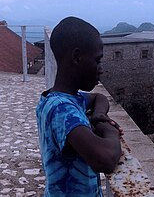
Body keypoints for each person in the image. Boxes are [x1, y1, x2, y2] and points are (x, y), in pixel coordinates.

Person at [36, 16, 123, 196]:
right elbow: (105, 159)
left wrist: (98, 115)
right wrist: (110, 131)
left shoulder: (61, 98)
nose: (101, 68)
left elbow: (99, 98)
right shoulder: (62, 110)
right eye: (97, 61)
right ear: (76, 57)